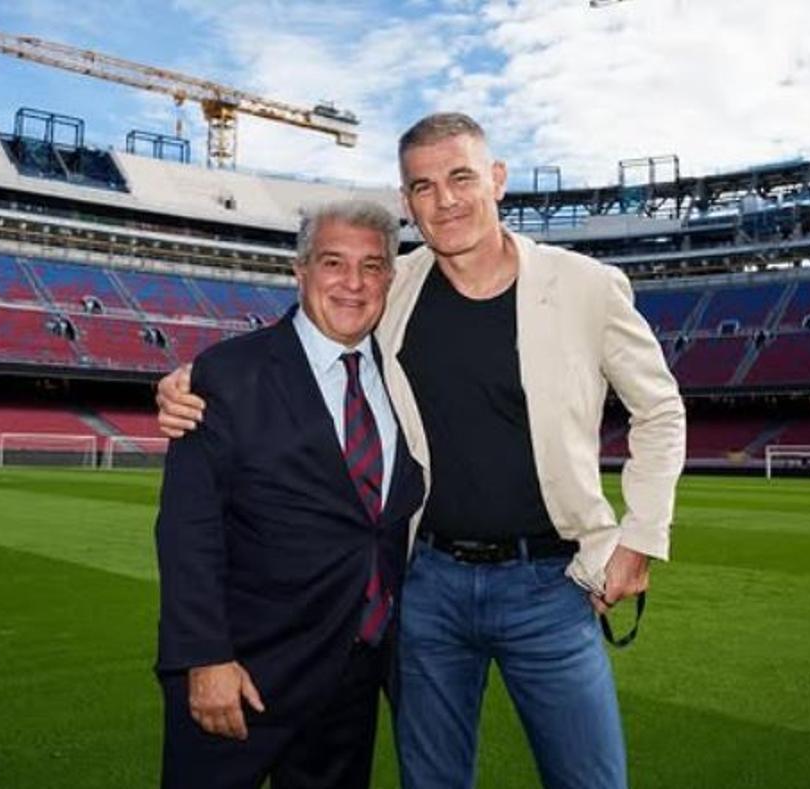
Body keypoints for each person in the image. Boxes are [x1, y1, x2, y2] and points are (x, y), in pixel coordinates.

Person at [157, 113, 685, 789]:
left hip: (549, 585)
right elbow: (313, 324)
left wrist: (640, 538)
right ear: (406, 201)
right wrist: (196, 378)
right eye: (424, 186)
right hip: (428, 586)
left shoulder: (585, 285)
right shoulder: (395, 283)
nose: (446, 200)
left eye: (461, 177)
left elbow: (660, 409)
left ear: (497, 179)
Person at [154, 199, 424, 789]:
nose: (353, 283)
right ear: (300, 272)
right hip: (244, 672)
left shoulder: (404, 378)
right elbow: (188, 529)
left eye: (372, 266)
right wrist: (204, 657)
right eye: (333, 263)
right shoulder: (226, 373)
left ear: (389, 279)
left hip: (353, 675)